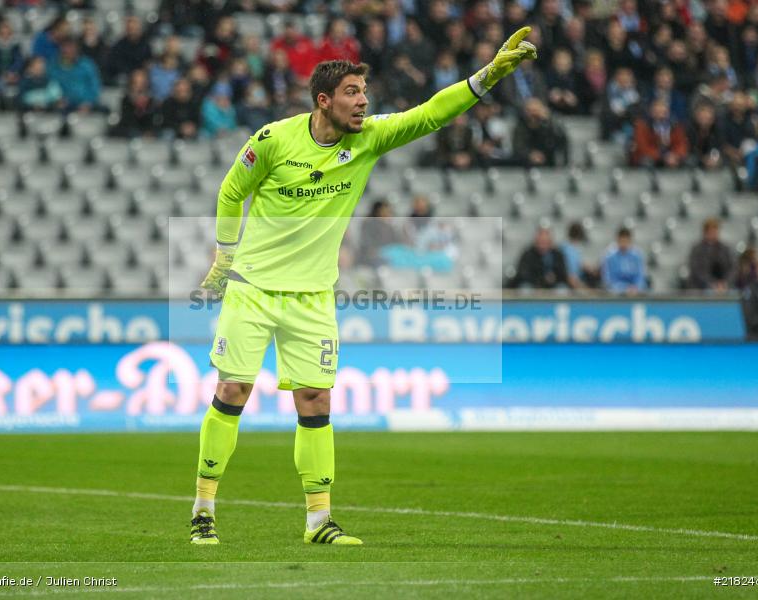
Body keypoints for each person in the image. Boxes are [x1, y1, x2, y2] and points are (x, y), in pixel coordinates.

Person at [191, 29, 537, 546]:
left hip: (313, 296)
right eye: (352, 93)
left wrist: (485, 77)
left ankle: (318, 521)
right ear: (323, 101)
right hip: (253, 289)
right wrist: (224, 256)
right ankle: (203, 510)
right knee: (232, 390)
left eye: (364, 93)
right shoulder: (273, 140)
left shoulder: (369, 137)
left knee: (315, 399)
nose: (363, 102)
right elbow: (230, 190)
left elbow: (430, 114)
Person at [630, 99, 689, 168]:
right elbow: (643, 147)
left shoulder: (675, 125)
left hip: (671, 157)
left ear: (668, 112)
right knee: (647, 162)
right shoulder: (642, 126)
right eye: (657, 111)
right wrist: (663, 156)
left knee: (688, 161)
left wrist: (675, 155)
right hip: (651, 157)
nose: (660, 115)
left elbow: (682, 144)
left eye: (663, 112)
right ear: (651, 112)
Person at [49, 39, 102, 114]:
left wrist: (88, 102)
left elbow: (95, 86)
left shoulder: (87, 65)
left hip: (87, 104)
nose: (68, 50)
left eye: (71, 47)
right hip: (64, 106)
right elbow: (51, 86)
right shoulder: (54, 67)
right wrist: (57, 100)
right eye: (65, 47)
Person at [513, 97, 569, 167]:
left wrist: (549, 122)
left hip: (549, 163)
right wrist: (530, 155)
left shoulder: (549, 125)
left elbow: (560, 142)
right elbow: (518, 147)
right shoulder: (520, 126)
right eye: (529, 111)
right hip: (527, 164)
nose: (533, 114)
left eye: (535, 111)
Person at [687, 219, 735, 291]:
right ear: (705, 232)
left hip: (723, 288)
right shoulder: (697, 250)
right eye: (710, 231)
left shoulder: (725, 249)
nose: (713, 234)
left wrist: (725, 283)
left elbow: (732, 268)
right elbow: (696, 270)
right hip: (700, 288)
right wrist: (711, 284)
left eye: (715, 231)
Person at [601, 227, 647, 294]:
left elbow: (640, 276)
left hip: (636, 292)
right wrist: (625, 288)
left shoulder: (637, 256)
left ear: (630, 241)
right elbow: (609, 280)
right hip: (616, 293)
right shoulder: (609, 257)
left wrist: (636, 287)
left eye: (626, 241)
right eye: (621, 241)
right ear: (617, 240)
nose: (623, 244)